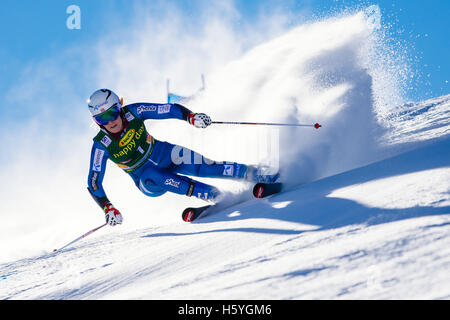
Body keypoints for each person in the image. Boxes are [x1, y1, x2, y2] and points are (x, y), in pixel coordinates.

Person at [87, 89, 278, 226]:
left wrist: (191, 117)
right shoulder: (101, 145)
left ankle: (257, 173)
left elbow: (168, 109)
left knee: (207, 167)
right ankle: (214, 195)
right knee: (151, 172)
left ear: (119, 108)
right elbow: (94, 182)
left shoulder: (134, 112)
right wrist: (108, 208)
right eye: (102, 119)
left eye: (112, 113)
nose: (110, 121)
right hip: (147, 180)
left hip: (165, 153)